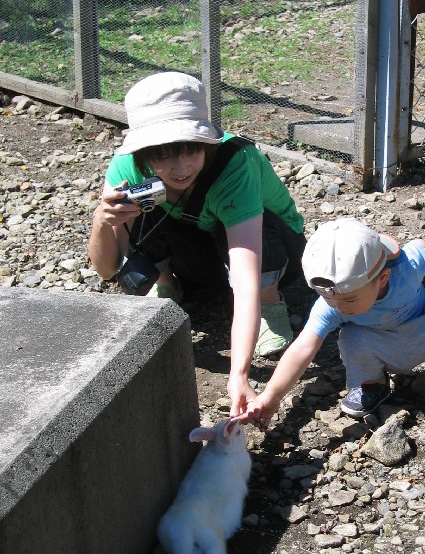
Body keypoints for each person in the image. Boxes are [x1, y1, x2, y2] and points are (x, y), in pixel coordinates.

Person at [88, 71, 306, 415]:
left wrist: (239, 373)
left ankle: (272, 305)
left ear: (205, 142)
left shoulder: (236, 164)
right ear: (143, 152)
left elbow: (245, 281)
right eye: (162, 156)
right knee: (133, 208)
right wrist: (102, 220)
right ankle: (166, 283)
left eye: (190, 150)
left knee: (249, 233)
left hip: (273, 253)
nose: (180, 168)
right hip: (199, 253)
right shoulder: (126, 167)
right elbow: (106, 269)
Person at [243, 217, 425, 429]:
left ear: (382, 278)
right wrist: (272, 394)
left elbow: (424, 248)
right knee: (351, 337)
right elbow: (303, 347)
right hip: (380, 342)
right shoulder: (333, 304)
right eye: (328, 298)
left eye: (349, 299)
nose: (339, 307)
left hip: (424, 331)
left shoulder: (406, 266)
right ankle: (373, 384)